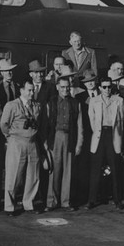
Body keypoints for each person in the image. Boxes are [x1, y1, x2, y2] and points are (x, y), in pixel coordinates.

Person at [86, 76, 124, 209]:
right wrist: (98, 132)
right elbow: (92, 120)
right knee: (95, 169)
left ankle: (118, 200)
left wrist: (119, 136)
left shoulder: (119, 101)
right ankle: (91, 200)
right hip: (99, 136)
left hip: (114, 135)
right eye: (104, 87)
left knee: (115, 169)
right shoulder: (93, 101)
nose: (107, 89)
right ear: (99, 88)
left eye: (109, 86)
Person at [0, 79, 42, 216]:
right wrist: (9, 138)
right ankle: (9, 206)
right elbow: (4, 124)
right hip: (16, 143)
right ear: (21, 90)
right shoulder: (11, 105)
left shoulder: (37, 106)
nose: (31, 93)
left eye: (33, 90)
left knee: (33, 175)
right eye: (29, 90)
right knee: (14, 175)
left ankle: (28, 203)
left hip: (32, 143)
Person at [45, 77, 83, 211]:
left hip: (70, 137)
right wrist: (47, 144)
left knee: (68, 171)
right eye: (62, 87)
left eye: (67, 87)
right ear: (57, 87)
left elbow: (80, 126)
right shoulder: (52, 102)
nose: (65, 89)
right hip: (55, 137)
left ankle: (66, 202)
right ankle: (52, 202)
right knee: (54, 170)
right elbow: (47, 124)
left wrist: (79, 144)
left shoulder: (75, 103)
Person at [0, 58, 20, 211]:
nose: (9, 73)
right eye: (6, 71)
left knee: (13, 167)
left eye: (10, 70)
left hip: (14, 133)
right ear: (1, 73)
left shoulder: (18, 87)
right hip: (0, 133)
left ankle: (12, 198)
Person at [29, 59, 56, 208]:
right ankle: (30, 197)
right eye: (36, 72)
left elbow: (52, 112)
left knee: (44, 166)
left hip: (44, 132)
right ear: (31, 74)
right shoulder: (26, 88)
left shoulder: (50, 88)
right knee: (31, 166)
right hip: (30, 134)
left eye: (41, 72)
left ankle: (43, 198)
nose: (39, 75)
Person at [74, 70, 99, 205]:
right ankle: (83, 196)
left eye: (92, 81)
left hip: (99, 135)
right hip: (86, 136)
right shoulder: (79, 97)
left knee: (98, 166)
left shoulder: (103, 94)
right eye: (87, 82)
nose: (90, 83)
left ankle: (97, 195)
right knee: (84, 166)